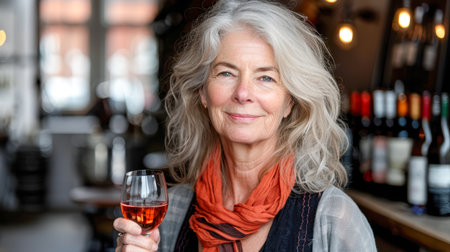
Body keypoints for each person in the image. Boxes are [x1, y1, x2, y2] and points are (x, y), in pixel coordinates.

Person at [113, 0, 377, 251]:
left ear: (290, 102)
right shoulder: (173, 213)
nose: (243, 93)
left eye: (266, 78)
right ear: (203, 93)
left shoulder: (334, 220)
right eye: (226, 73)